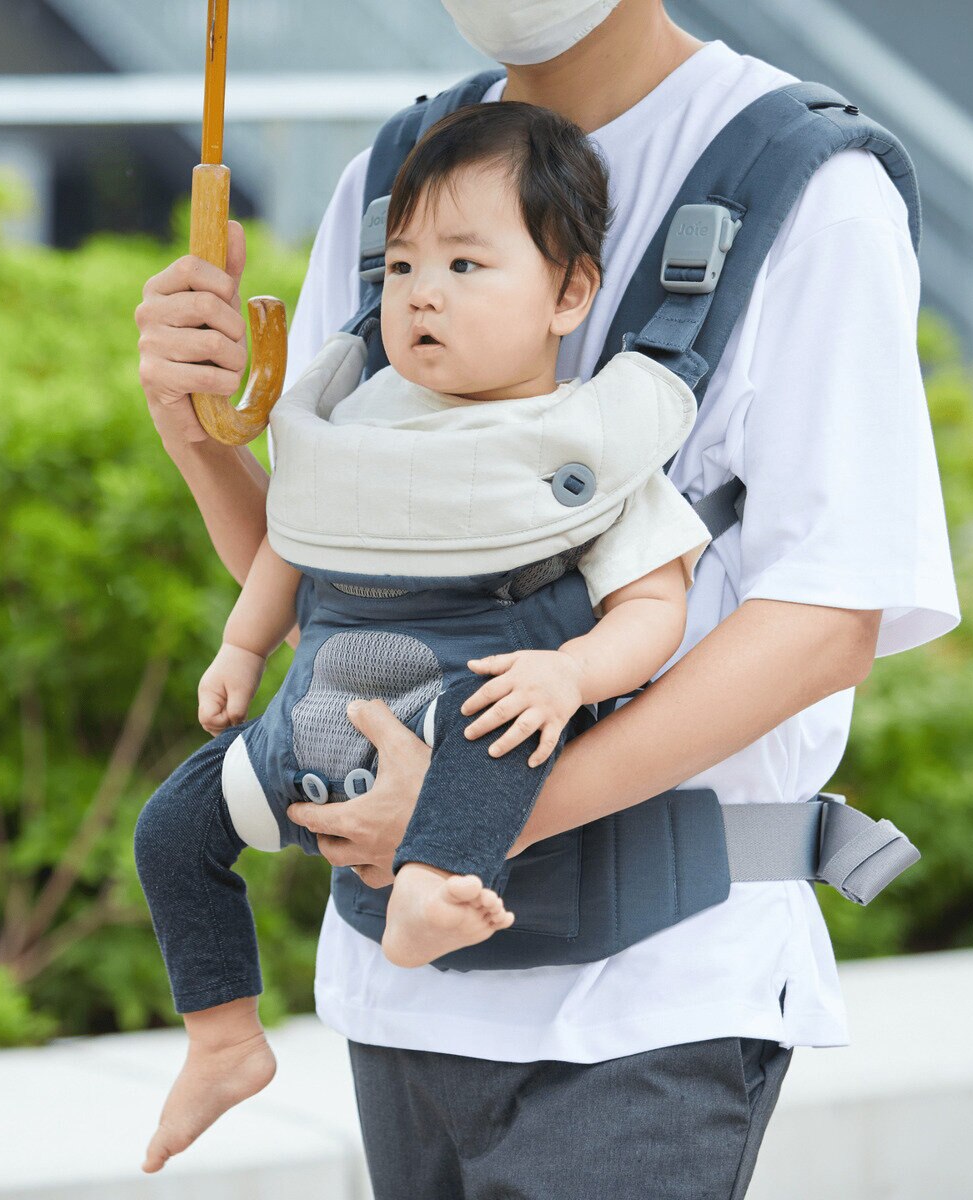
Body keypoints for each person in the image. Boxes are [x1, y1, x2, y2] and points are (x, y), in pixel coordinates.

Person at [134, 1, 960, 1195]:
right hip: (398, 998)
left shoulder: (804, 182)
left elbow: (828, 620)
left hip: (650, 996)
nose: (427, 282)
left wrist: (470, 825)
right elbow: (338, 576)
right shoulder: (394, 179)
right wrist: (197, 432)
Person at [132, 99, 712, 1172]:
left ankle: (430, 885)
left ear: (569, 293)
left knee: (499, 718)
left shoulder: (583, 441)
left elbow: (655, 608)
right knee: (168, 833)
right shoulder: (355, 424)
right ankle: (220, 1039)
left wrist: (568, 672)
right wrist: (242, 650)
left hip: (469, 715)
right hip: (310, 727)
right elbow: (292, 547)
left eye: (464, 265)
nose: (422, 294)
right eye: (400, 268)